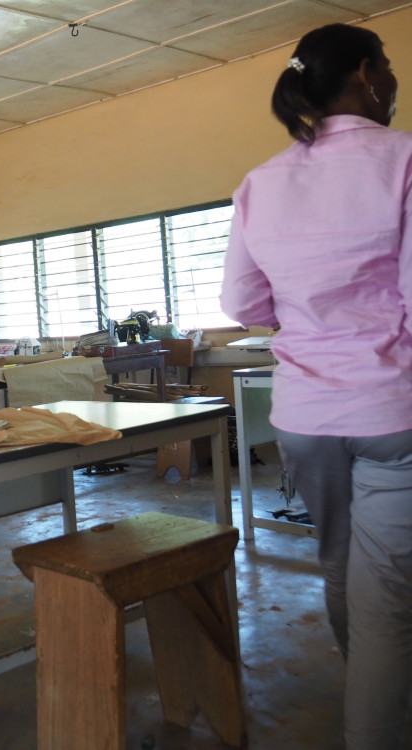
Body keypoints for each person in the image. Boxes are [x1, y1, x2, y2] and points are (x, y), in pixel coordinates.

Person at [219, 23, 411, 750]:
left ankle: (374, 695)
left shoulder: (261, 182)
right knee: (387, 600)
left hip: (303, 417)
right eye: (387, 66)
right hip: (391, 413)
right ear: (365, 73)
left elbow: (242, 301)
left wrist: (307, 313)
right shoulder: (403, 159)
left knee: (340, 566)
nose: (392, 80)